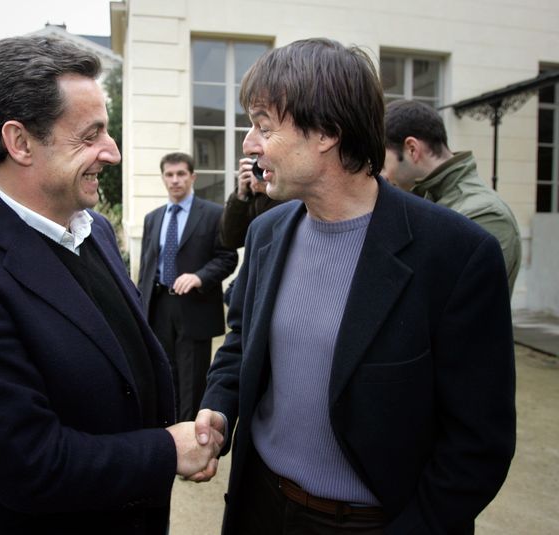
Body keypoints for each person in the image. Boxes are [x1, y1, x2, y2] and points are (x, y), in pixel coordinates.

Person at [0, 36, 221, 535]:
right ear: (20, 142)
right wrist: (166, 450)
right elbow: (29, 465)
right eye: (90, 135)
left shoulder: (95, 230)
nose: (110, 152)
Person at [195, 38, 516, 534]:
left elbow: (477, 444)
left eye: (263, 126)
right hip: (259, 508)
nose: (248, 144)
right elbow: (240, 347)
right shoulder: (265, 233)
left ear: (325, 131)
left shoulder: (456, 254)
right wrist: (218, 407)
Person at [383, 98, 522, 294]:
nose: (384, 175)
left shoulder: (486, 215)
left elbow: (456, 303)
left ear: (412, 149)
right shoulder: (423, 202)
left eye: (383, 163)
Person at [138, 152, 238, 422]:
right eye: (169, 175)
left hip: (194, 306)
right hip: (158, 305)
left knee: (192, 379)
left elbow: (228, 258)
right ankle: (169, 432)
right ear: (163, 178)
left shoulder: (215, 214)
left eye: (181, 174)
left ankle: (191, 436)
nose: (175, 180)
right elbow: (147, 267)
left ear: (192, 176)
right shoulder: (153, 218)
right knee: (164, 372)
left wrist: (199, 277)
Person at [220, 156, 284, 249]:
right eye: (258, 167)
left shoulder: (289, 189)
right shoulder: (252, 193)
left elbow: (280, 234)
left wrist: (271, 191)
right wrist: (241, 195)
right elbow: (230, 240)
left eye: (266, 168)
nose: (262, 173)